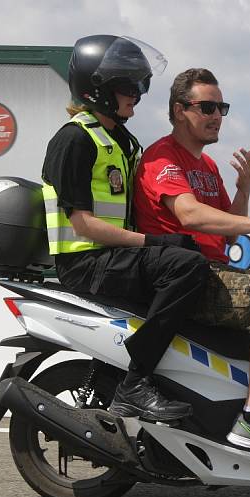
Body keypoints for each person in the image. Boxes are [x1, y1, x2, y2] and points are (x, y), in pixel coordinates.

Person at [133, 68, 250, 456]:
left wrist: (243, 189)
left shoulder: (208, 166)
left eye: (222, 107)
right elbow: (190, 216)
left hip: (213, 270)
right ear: (180, 110)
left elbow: (228, 235)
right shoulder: (162, 157)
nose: (217, 115)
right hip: (187, 277)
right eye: (208, 106)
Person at [41, 35, 210, 423]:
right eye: (127, 86)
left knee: (193, 260)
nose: (138, 93)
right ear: (97, 90)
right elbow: (82, 223)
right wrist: (155, 242)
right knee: (184, 267)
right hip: (84, 261)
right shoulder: (74, 140)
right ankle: (135, 384)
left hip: (114, 256)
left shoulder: (122, 142)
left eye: (139, 83)